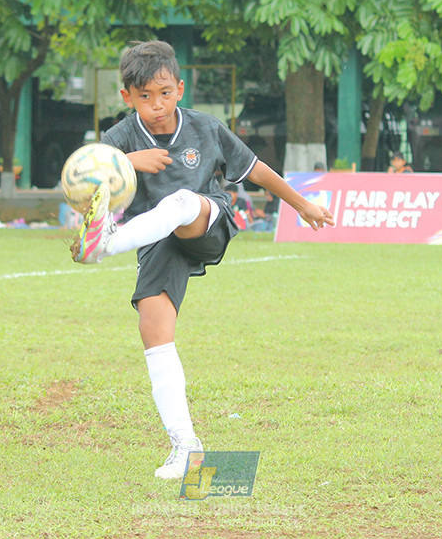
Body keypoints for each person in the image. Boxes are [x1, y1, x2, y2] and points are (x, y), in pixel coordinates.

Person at [70, 40, 334, 479]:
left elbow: (256, 169)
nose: (157, 105)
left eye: (165, 93)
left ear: (181, 88)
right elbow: (87, 190)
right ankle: (185, 447)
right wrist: (127, 162)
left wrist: (302, 204)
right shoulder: (117, 142)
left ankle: (104, 246)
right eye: (145, 97)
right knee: (153, 330)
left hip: (205, 221)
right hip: (157, 244)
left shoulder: (205, 129)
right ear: (127, 98)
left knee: (178, 203)